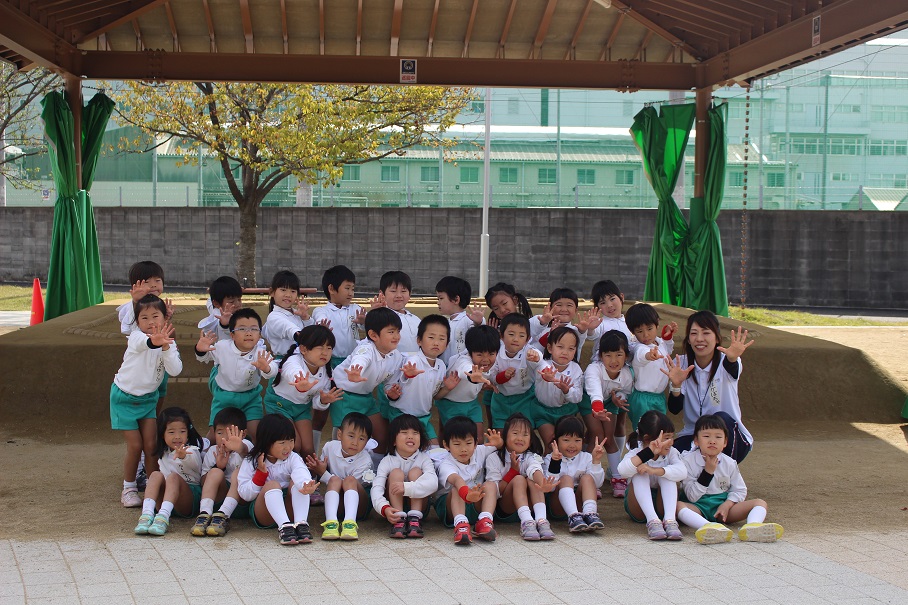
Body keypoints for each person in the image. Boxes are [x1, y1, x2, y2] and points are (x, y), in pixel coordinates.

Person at [111, 294, 182, 508]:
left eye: (155, 316)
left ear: (164, 317)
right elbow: (146, 343)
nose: (151, 322)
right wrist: (155, 341)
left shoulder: (168, 342)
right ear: (137, 321)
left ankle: (154, 487)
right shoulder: (135, 337)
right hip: (124, 397)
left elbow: (175, 369)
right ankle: (129, 488)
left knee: (151, 445)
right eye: (144, 318)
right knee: (135, 446)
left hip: (148, 399)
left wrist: (166, 347)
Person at [663, 310, 754, 463]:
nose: (699, 339)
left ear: (717, 338)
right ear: (688, 339)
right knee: (671, 459)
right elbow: (674, 409)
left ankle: (724, 471)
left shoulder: (727, 361)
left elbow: (732, 368)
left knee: (721, 418)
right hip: (694, 435)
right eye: (694, 333)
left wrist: (732, 358)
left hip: (728, 436)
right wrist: (676, 385)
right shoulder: (681, 364)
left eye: (706, 333)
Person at [676, 415, 784, 544]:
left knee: (760, 503)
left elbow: (740, 490)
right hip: (697, 507)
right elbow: (692, 496)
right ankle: (707, 527)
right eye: (706, 436)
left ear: (725, 442)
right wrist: (707, 473)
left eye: (718, 437)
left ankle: (752, 527)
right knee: (678, 506)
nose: (712, 441)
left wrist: (727, 505)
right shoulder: (687, 461)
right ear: (696, 441)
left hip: (722, 506)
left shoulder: (729, 463)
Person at [236, 414, 320, 545]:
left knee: (297, 483)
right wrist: (259, 476)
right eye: (282, 443)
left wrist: (305, 485)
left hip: (289, 510)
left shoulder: (293, 457)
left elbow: (300, 472)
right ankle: (284, 527)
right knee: (273, 485)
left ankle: (301, 524)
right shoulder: (253, 460)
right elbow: (245, 494)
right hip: (265, 514)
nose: (288, 447)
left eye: (291, 440)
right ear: (267, 441)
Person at [333, 307, 403, 463]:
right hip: (344, 395)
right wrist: (355, 370)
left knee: (382, 436)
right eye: (391, 332)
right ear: (373, 335)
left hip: (366, 397)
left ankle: (374, 470)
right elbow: (361, 359)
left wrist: (391, 393)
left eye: (398, 331)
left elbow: (389, 383)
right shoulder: (366, 348)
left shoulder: (396, 355)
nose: (396, 336)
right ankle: (335, 470)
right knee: (344, 439)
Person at [195, 307, 275, 442]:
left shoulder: (260, 352)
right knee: (216, 435)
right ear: (232, 335)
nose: (248, 333)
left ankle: (251, 455)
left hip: (250, 397)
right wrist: (200, 350)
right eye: (242, 329)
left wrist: (267, 368)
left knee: (255, 434)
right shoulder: (222, 347)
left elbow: (272, 368)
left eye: (254, 329)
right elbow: (204, 357)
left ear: (260, 334)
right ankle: (204, 452)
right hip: (224, 397)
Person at [265, 325, 344, 457]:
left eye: (329, 348)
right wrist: (299, 381)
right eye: (320, 347)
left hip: (302, 409)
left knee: (308, 450)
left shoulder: (327, 373)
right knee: (294, 445)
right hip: (279, 405)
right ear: (303, 349)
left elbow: (317, 403)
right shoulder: (293, 360)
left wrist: (323, 401)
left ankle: (308, 471)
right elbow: (293, 371)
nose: (325, 352)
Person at [484, 413, 558, 541]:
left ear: (530, 440)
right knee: (519, 479)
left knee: (532, 479)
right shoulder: (494, 458)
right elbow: (496, 491)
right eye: (515, 433)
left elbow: (535, 469)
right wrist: (512, 472)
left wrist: (542, 484)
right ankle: (526, 522)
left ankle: (541, 520)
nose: (520, 438)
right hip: (506, 507)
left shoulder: (531, 456)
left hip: (530, 505)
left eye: (525, 434)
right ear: (505, 436)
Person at [134, 407, 204, 536]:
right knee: (155, 475)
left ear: (188, 432)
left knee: (173, 477)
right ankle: (146, 515)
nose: (177, 436)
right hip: (167, 498)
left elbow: (194, 462)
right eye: (171, 432)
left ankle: (163, 518)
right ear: (162, 433)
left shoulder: (191, 450)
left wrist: (183, 456)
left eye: (182, 431)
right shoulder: (163, 453)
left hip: (188, 498)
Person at [305, 412, 375, 541]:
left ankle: (350, 523)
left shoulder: (366, 461)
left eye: (361, 439)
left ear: (367, 442)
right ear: (339, 434)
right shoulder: (329, 447)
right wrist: (318, 469)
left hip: (359, 506)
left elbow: (351, 485)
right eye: (351, 436)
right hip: (337, 503)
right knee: (335, 480)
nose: (355, 442)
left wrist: (323, 473)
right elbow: (328, 478)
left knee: (349, 480)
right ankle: (331, 522)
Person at [433, 416, 503, 545]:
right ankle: (461, 525)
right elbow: (457, 480)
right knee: (457, 489)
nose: (463, 449)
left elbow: (497, 447)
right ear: (446, 445)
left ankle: (485, 520)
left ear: (476, 443)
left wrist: (499, 443)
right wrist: (467, 494)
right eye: (457, 444)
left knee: (490, 485)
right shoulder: (445, 463)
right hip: (450, 506)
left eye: (468, 443)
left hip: (474, 500)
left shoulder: (479, 451)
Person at [617, 410, 685, 541]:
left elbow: (682, 472)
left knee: (668, 474)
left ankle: (670, 520)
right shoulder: (636, 452)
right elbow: (622, 471)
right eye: (666, 438)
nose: (671, 442)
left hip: (663, 505)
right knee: (639, 472)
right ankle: (652, 521)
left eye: (671, 437)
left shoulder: (672, 452)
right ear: (647, 439)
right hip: (639, 509)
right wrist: (648, 453)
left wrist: (655, 470)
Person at [384, 314, 451, 445]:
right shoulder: (412, 361)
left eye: (442, 339)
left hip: (424, 417)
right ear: (419, 340)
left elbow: (434, 395)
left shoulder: (441, 366)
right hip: (402, 416)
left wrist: (447, 388)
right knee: (405, 450)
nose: (436, 342)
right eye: (431, 337)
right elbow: (399, 382)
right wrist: (408, 375)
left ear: (447, 344)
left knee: (435, 450)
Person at [584, 330, 634, 497]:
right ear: (600, 356)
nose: (614, 360)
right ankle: (590, 478)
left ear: (626, 356)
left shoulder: (627, 374)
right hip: (589, 402)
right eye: (608, 355)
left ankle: (618, 477)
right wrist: (598, 409)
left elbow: (625, 391)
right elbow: (594, 390)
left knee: (609, 437)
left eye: (619, 355)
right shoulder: (593, 369)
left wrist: (619, 399)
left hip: (609, 403)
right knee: (597, 436)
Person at [370, 414, 438, 539]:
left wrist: (407, 488)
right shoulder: (387, 461)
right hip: (393, 509)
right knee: (396, 473)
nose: (410, 436)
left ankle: (414, 518)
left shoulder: (424, 459)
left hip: (420, 507)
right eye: (404, 432)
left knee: (415, 472)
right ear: (393, 440)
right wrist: (384, 508)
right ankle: (399, 519)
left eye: (415, 433)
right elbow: (377, 488)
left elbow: (433, 483)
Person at [191, 407, 252, 537]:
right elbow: (203, 482)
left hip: (242, 502)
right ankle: (204, 514)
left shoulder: (246, 445)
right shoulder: (213, 451)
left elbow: (246, 451)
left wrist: (239, 446)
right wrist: (219, 467)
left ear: (243, 434)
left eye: (231, 433)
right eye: (219, 433)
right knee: (215, 472)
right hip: (218, 502)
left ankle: (224, 515)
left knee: (238, 473)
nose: (224, 438)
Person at [542, 415, 606, 533]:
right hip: (558, 506)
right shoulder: (549, 458)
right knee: (566, 478)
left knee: (587, 478)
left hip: (581, 504)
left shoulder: (587, 457)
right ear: (556, 440)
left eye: (577, 440)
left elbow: (597, 484)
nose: (572, 445)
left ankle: (590, 513)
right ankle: (573, 516)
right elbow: (550, 488)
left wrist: (596, 461)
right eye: (566, 440)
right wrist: (555, 463)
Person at [434, 324, 500, 436]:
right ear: (470, 352)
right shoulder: (462, 360)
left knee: (478, 437)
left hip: (472, 402)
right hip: (451, 403)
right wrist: (472, 376)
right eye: (480, 355)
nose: (486, 359)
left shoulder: (492, 362)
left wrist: (488, 384)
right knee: (454, 436)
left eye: (491, 354)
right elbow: (464, 370)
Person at [625, 303, 676, 430]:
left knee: (659, 430)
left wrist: (668, 337)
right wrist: (649, 355)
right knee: (643, 432)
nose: (646, 335)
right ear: (632, 332)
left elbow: (668, 349)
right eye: (639, 331)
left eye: (649, 329)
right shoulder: (638, 347)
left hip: (659, 396)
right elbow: (641, 356)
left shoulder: (660, 342)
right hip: (642, 398)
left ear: (657, 324)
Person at [534, 327, 583, 449]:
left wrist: (566, 390)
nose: (565, 352)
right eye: (560, 347)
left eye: (571, 348)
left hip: (567, 412)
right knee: (551, 445)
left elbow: (578, 397)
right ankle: (546, 462)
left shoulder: (576, 369)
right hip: (543, 411)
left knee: (565, 446)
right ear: (550, 348)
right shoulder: (543, 365)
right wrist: (546, 377)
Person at [489, 314, 542, 430]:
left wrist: (536, 358)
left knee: (524, 430)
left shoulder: (529, 351)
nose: (516, 339)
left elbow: (539, 361)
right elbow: (492, 376)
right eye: (511, 334)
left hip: (525, 397)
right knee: (500, 430)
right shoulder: (496, 352)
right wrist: (503, 376)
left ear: (527, 339)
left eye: (521, 335)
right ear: (501, 336)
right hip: (501, 398)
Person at [528, 288, 600, 355]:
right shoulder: (539, 321)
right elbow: (527, 340)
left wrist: (586, 330)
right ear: (550, 307)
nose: (564, 309)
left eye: (569, 305)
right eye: (559, 305)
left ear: (576, 310)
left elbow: (590, 337)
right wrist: (543, 324)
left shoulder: (575, 331)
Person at [436, 275, 485, 365]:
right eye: (438, 299)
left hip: (463, 367)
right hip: (445, 367)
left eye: (441, 298)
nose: (438, 302)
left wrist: (478, 322)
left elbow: (481, 334)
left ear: (456, 299)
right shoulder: (445, 323)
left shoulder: (467, 319)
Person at [372, 270, 422, 353]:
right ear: (382, 294)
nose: (399, 295)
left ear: (410, 294)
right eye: (393, 291)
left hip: (414, 360)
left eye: (403, 291)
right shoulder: (382, 316)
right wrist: (375, 313)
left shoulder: (416, 319)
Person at [197, 276, 244, 343]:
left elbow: (210, 303)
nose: (237, 304)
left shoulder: (216, 308)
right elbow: (228, 330)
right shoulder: (217, 319)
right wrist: (225, 325)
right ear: (216, 303)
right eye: (231, 301)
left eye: (239, 299)